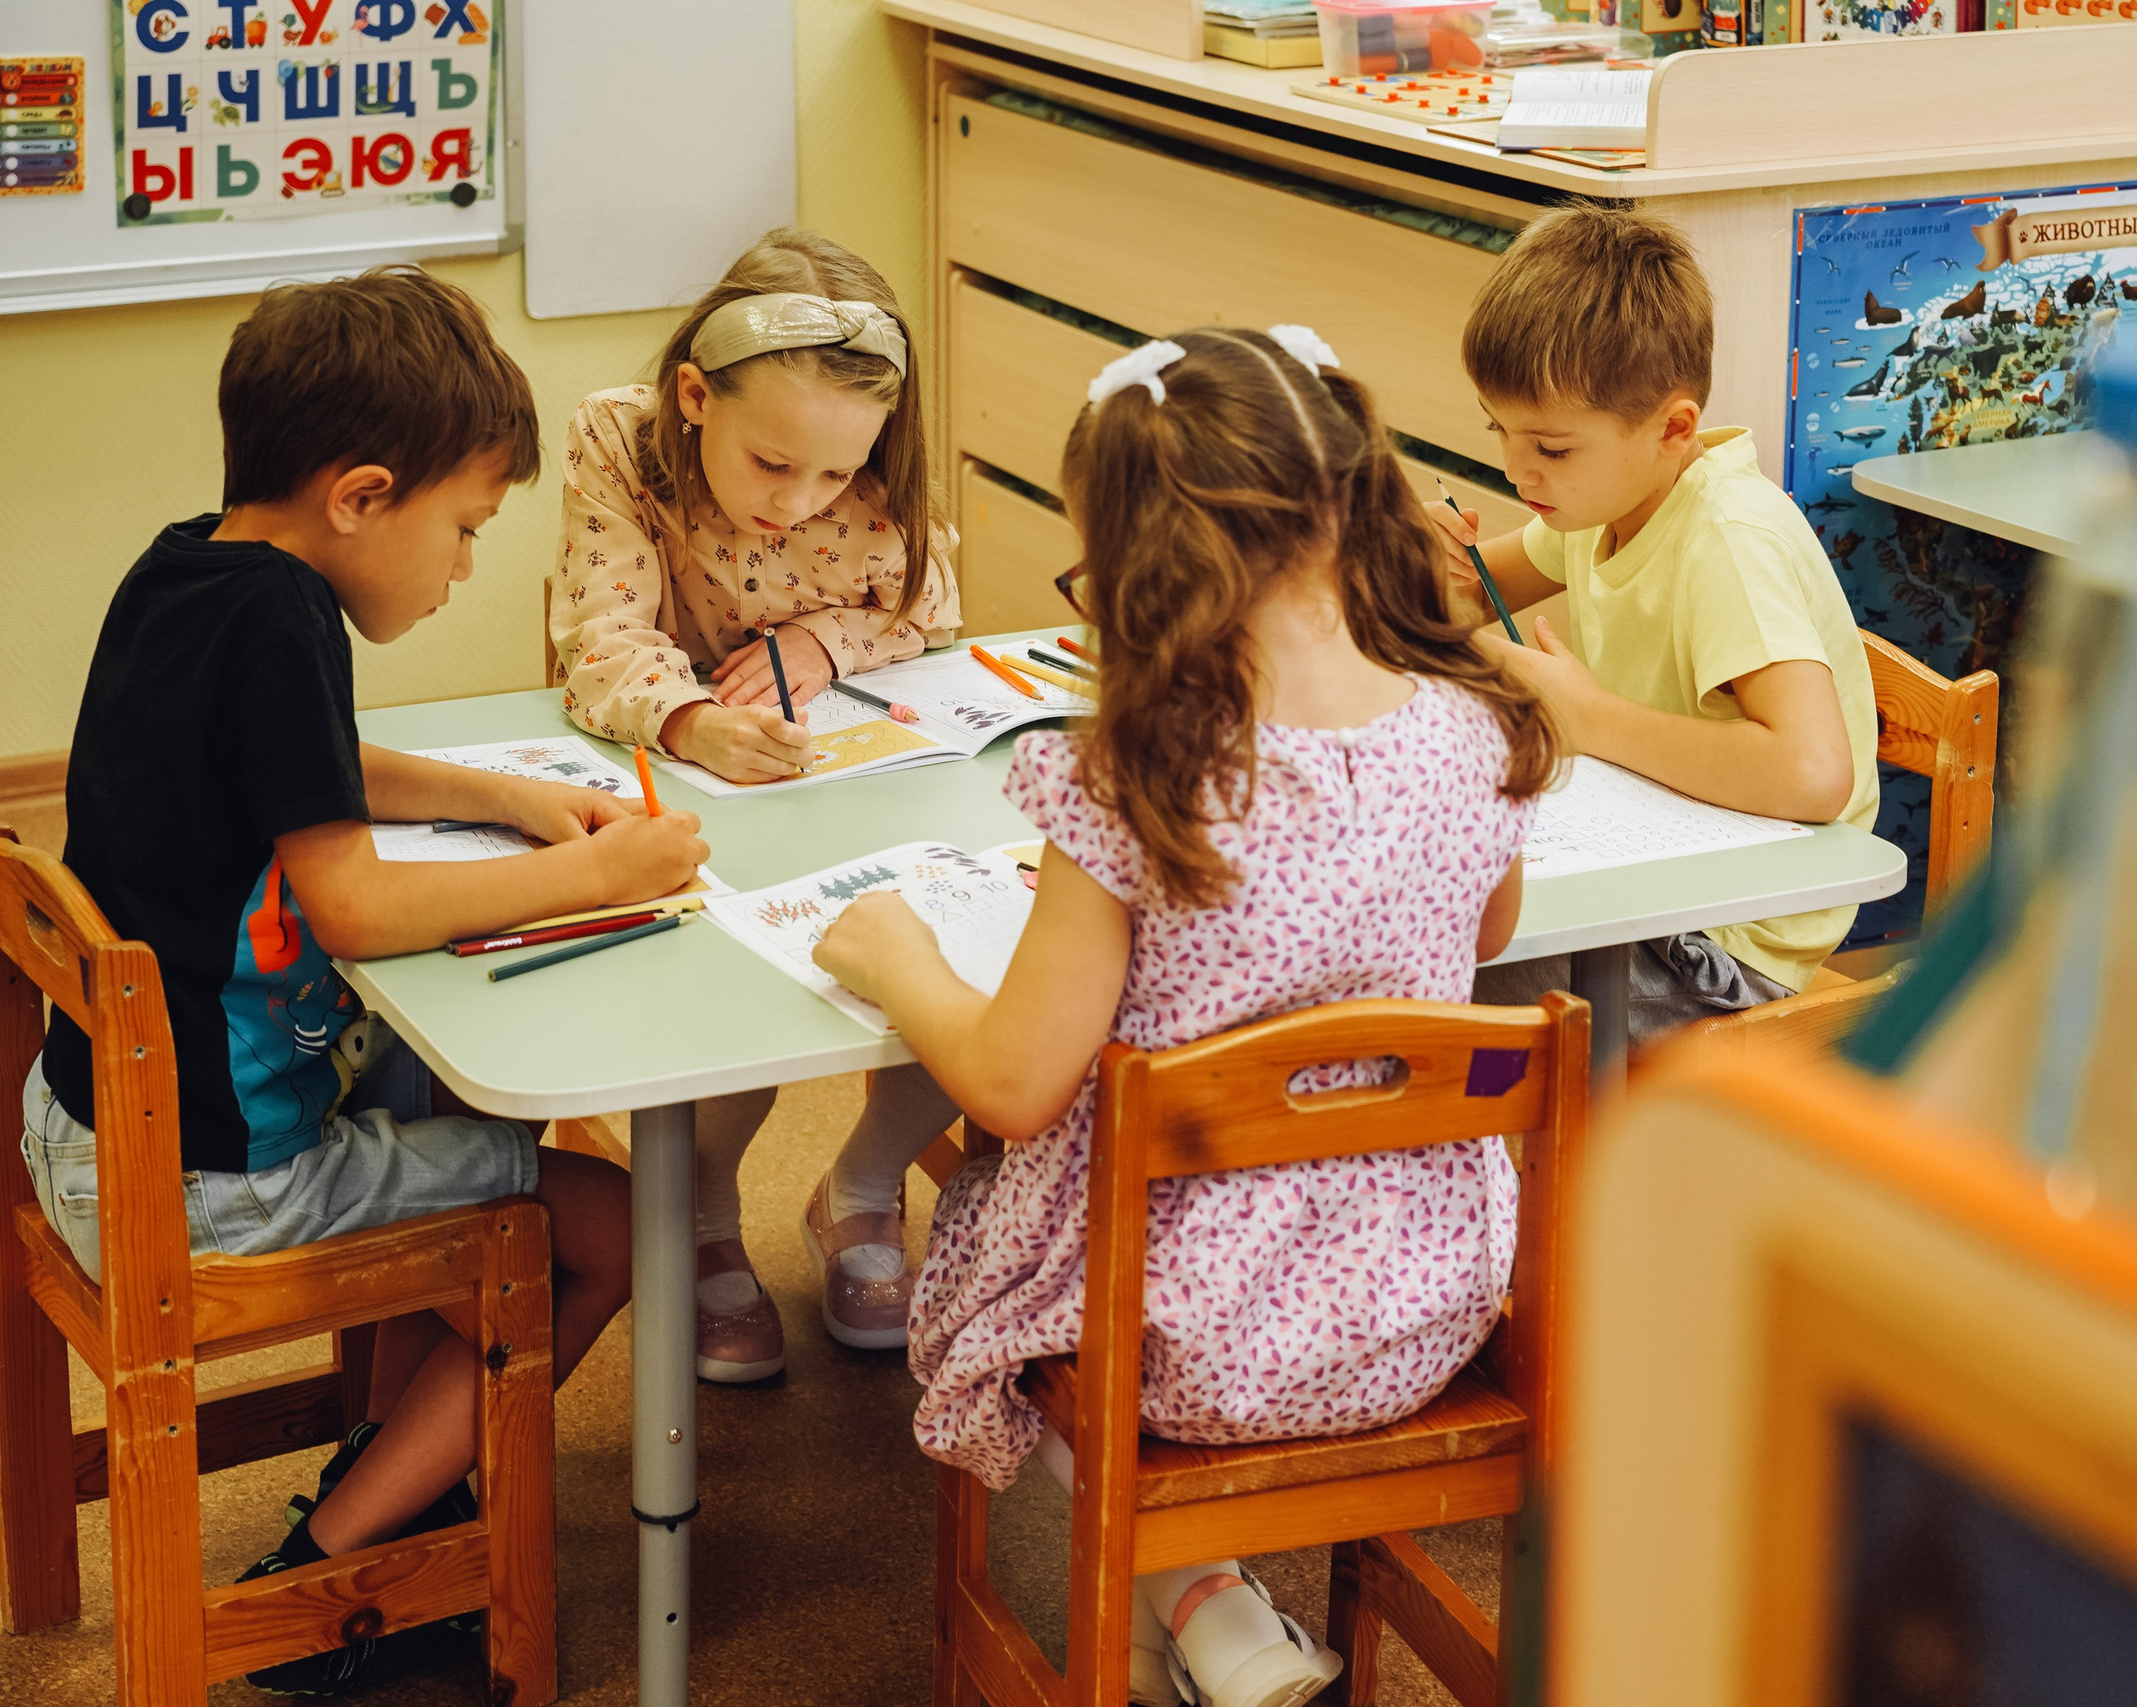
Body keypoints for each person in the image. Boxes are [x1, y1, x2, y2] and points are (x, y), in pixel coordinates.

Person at [813, 326, 1560, 1707]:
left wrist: (900, 954)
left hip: (1196, 1347)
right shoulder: (1474, 722)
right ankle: (1196, 1624)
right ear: (1341, 492)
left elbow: (1018, 1083)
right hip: (1430, 1305)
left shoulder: (1130, 778)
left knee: (988, 1236)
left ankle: (1197, 1589)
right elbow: (1492, 933)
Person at [22, 268, 693, 1695]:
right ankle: (340, 1558)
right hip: (214, 1180)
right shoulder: (286, 621)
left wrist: (498, 795)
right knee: (608, 1219)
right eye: (460, 530)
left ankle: (402, 1448)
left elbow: (306, 762)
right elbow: (359, 904)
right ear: (360, 494)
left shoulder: (190, 566)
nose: (459, 571)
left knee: (435, 1086)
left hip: (82, 1127)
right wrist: (595, 875)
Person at [546, 227, 961, 1381]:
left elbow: (929, 597)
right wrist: (689, 720)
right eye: (774, 465)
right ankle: (706, 1214)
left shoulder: (872, 461)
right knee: (738, 1018)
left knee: (963, 966)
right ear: (692, 397)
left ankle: (861, 1192)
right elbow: (604, 639)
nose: (805, 499)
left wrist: (826, 642)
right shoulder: (617, 438)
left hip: (838, 785)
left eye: (834, 475)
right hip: (672, 785)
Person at [1430, 202, 1880, 1040]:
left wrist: (1590, 717)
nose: (1516, 467)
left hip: (1728, 953)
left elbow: (1814, 772)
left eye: (1553, 448)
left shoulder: (1726, 539)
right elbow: (1464, 590)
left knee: (1431, 966)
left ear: (1674, 428)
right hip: (1647, 883)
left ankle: (1509, 1163)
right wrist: (1421, 560)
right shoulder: (1607, 503)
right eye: (1501, 431)